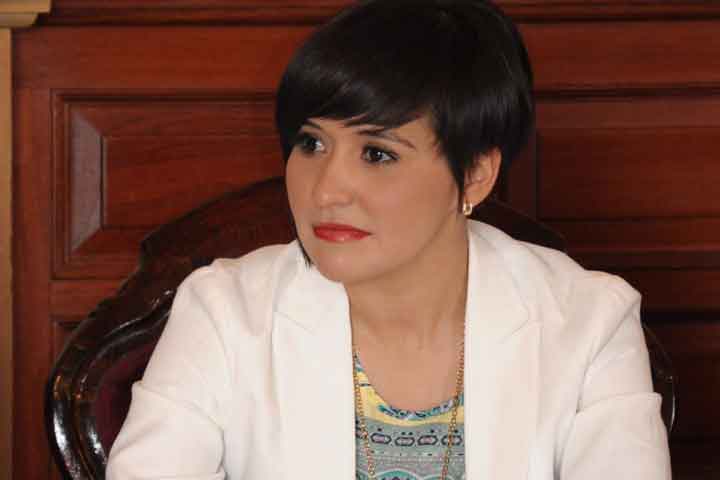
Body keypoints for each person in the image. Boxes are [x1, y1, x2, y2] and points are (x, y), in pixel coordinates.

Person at [106, 1, 672, 479]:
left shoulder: (589, 321)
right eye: (311, 144)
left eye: (377, 154)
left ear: (476, 175)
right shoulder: (224, 311)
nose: (327, 190)